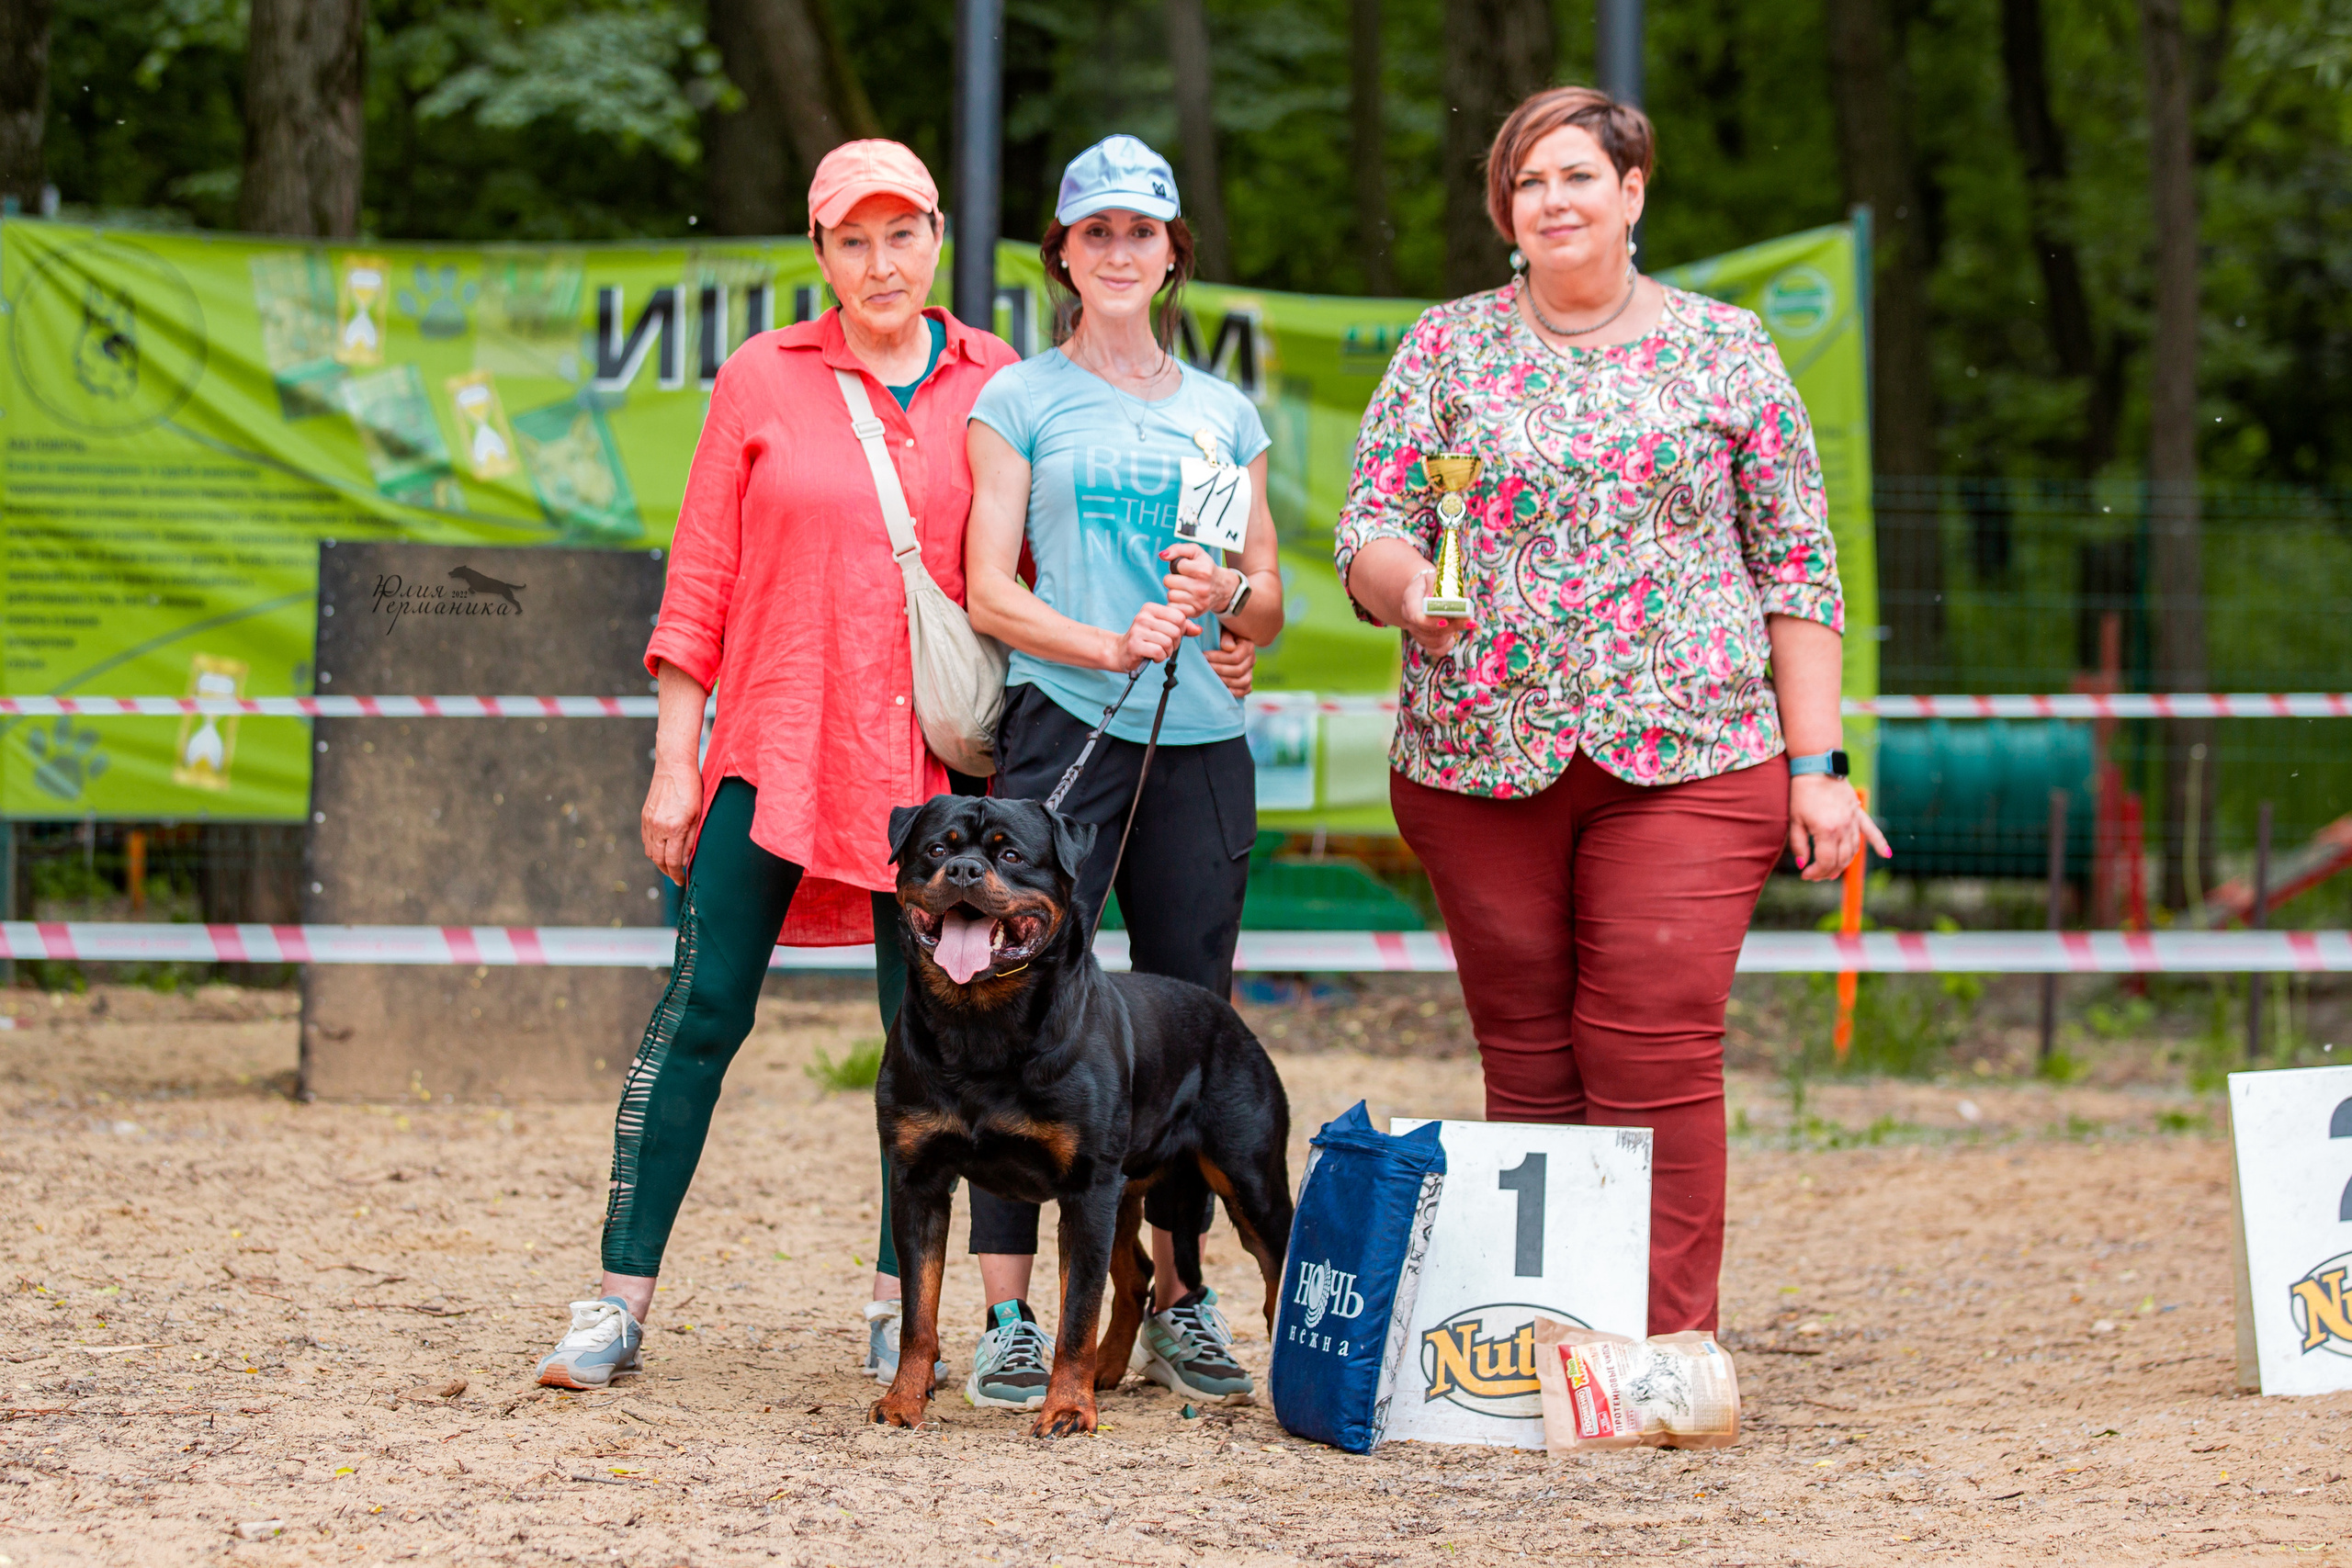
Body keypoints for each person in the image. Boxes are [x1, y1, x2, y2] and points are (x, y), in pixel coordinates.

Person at [1334, 86, 1890, 1337]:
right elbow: (1368, 524)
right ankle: (1539, 1332)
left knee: (1652, 1046)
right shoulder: (1444, 347)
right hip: (1476, 759)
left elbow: (1796, 563)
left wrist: (1821, 766)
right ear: (1506, 212)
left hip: (1693, 755)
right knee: (1528, 1065)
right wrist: (1407, 586)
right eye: (1528, 183)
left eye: (1577, 176)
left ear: (1632, 193)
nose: (1554, 201)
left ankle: (1660, 1348)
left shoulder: (1728, 347)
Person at [528, 140, 1022, 1390]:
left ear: (937, 241)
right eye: (851, 241)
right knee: (699, 1012)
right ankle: (615, 1302)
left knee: (927, 1039)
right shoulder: (761, 375)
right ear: (820, 256)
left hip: (935, 783)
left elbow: (1032, 578)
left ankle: (891, 1304)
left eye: (900, 234)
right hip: (776, 747)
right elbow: (699, 583)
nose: (880, 263)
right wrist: (672, 764)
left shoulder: (1001, 380)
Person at [961, 134, 1286, 1410]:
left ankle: (1177, 1298)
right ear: (1063, 255)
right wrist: (1106, 640)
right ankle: (1007, 1317)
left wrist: (1233, 599)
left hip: (1202, 744)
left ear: (1171, 252)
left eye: (1138, 232)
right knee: (1007, 1008)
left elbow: (1267, 610)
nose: (1116, 251)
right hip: (1064, 739)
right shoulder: (1021, 400)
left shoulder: (1226, 412)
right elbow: (988, 589)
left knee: (1185, 1024)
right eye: (1093, 232)